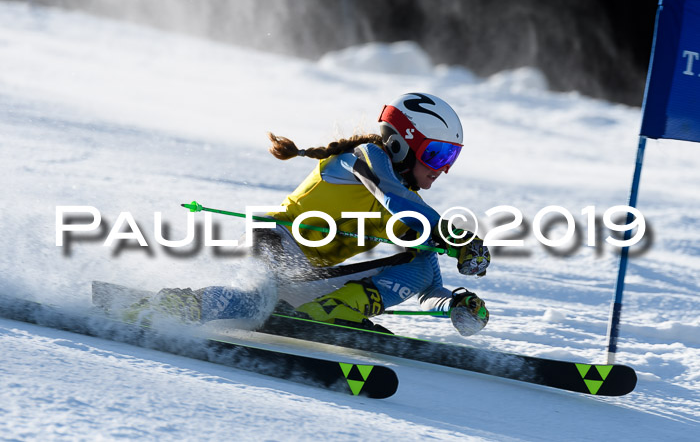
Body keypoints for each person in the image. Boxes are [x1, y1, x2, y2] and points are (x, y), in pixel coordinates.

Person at [134, 93, 491, 336]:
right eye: (437, 154)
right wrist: (455, 239)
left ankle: (331, 311)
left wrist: (454, 303)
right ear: (401, 143)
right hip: (273, 246)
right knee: (252, 302)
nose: (441, 169)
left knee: (421, 259)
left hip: (311, 279)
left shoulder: (404, 201)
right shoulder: (364, 159)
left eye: (450, 158)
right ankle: (167, 307)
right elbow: (397, 200)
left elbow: (426, 281)